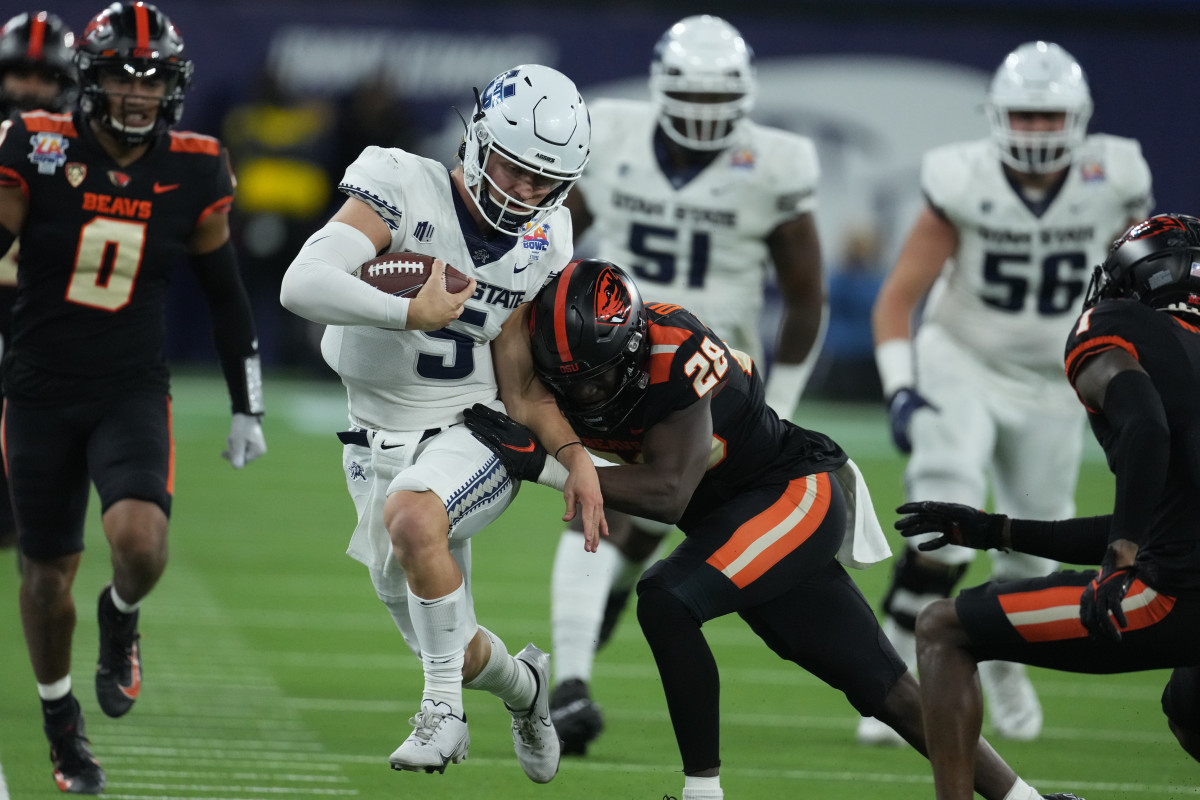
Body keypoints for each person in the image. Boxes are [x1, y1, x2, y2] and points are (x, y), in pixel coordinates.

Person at [464, 258, 1084, 800]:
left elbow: (669, 493)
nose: (586, 390)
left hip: (788, 493)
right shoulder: (549, 346)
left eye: (598, 375)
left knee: (665, 599)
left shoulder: (675, 350)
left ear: (630, 345)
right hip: (736, 517)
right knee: (883, 685)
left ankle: (702, 791)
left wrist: (539, 465)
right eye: (568, 377)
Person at [279, 63, 603, 782]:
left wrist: (574, 456)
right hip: (374, 437)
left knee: (415, 519)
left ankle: (441, 715)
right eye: (515, 169)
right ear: (480, 143)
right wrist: (407, 310)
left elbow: (520, 381)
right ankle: (527, 692)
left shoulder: (547, 237)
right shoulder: (401, 182)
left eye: (542, 180)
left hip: (475, 428)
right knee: (449, 639)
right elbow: (299, 283)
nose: (524, 192)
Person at [0, 1, 267, 794]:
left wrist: (245, 403)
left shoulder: (197, 165)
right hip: (38, 390)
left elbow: (226, 296)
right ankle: (61, 728)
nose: (140, 92)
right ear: (92, 78)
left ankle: (121, 616)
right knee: (46, 579)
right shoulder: (35, 146)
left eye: (154, 77)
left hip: (128, 389)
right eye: (123, 74)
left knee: (142, 545)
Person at [550, 13, 827, 754]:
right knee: (598, 504)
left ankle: (586, 636)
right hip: (609, 358)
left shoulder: (775, 162)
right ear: (659, 88)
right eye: (690, 97)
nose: (703, 115)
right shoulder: (609, 135)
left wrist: (784, 403)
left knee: (643, 523)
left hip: (710, 372)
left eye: (718, 100)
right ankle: (570, 684)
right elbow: (554, 239)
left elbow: (805, 297)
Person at [863, 40, 1153, 745]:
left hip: (1059, 374)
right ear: (997, 116)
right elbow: (898, 297)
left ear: (1078, 120)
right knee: (946, 496)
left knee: (1036, 547)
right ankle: (891, 672)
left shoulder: (1115, 177)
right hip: (961, 355)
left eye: (1049, 118)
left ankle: (1002, 659)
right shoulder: (961, 177)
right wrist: (902, 389)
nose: (1035, 132)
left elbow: (1146, 288)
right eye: (1022, 116)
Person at [900, 212, 1200, 800]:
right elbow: (1165, 518)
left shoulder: (1110, 324)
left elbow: (1145, 428)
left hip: (1177, 599)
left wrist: (1120, 561)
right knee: (1189, 708)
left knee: (942, 629)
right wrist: (998, 531)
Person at [0, 9, 77, 549]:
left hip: (49, 305)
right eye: (20, 74)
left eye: (44, 76)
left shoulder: (85, 145)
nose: (29, 88)